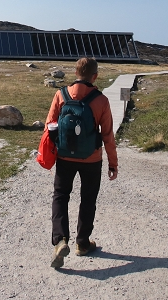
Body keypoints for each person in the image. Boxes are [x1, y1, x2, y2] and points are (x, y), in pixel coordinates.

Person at [46, 57, 118, 268]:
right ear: (94, 76)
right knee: (88, 199)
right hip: (91, 159)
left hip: (64, 156)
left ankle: (60, 240)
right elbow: (108, 136)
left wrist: (50, 155)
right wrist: (113, 164)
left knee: (60, 195)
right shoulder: (101, 100)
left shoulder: (60, 95)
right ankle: (82, 243)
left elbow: (50, 126)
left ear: (75, 73)